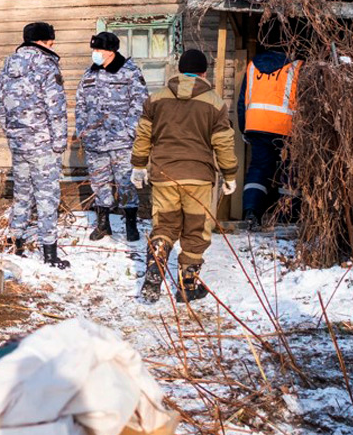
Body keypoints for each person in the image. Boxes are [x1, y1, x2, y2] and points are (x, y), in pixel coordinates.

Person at [131, 49, 237, 303]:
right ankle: (187, 286)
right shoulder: (215, 103)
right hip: (198, 177)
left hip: (164, 175)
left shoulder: (156, 99)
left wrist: (139, 165)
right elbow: (223, 142)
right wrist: (230, 174)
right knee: (195, 230)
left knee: (164, 225)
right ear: (204, 73)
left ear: (180, 70)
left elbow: (143, 134)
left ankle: (155, 266)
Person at [0, 21, 71, 269]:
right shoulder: (46, 64)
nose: (53, 44)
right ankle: (49, 253)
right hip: (43, 144)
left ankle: (15, 242)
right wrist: (59, 142)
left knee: (22, 194)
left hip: (19, 143)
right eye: (51, 39)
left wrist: (13, 134)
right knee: (47, 197)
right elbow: (56, 108)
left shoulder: (9, 64)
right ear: (42, 40)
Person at [75, 31, 149, 242]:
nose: (95, 54)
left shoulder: (130, 72)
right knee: (99, 183)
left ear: (111, 51)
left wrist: (129, 130)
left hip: (122, 142)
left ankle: (131, 225)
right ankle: (103, 224)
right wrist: (83, 129)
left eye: (98, 50)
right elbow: (80, 104)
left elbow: (141, 103)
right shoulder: (89, 75)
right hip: (95, 142)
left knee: (126, 183)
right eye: (94, 50)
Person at [236, 47, 302, 226]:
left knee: (259, 168)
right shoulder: (297, 67)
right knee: (290, 170)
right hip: (286, 128)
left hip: (256, 126)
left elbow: (242, 101)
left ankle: (251, 212)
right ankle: (286, 217)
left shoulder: (252, 66)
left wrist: (244, 128)